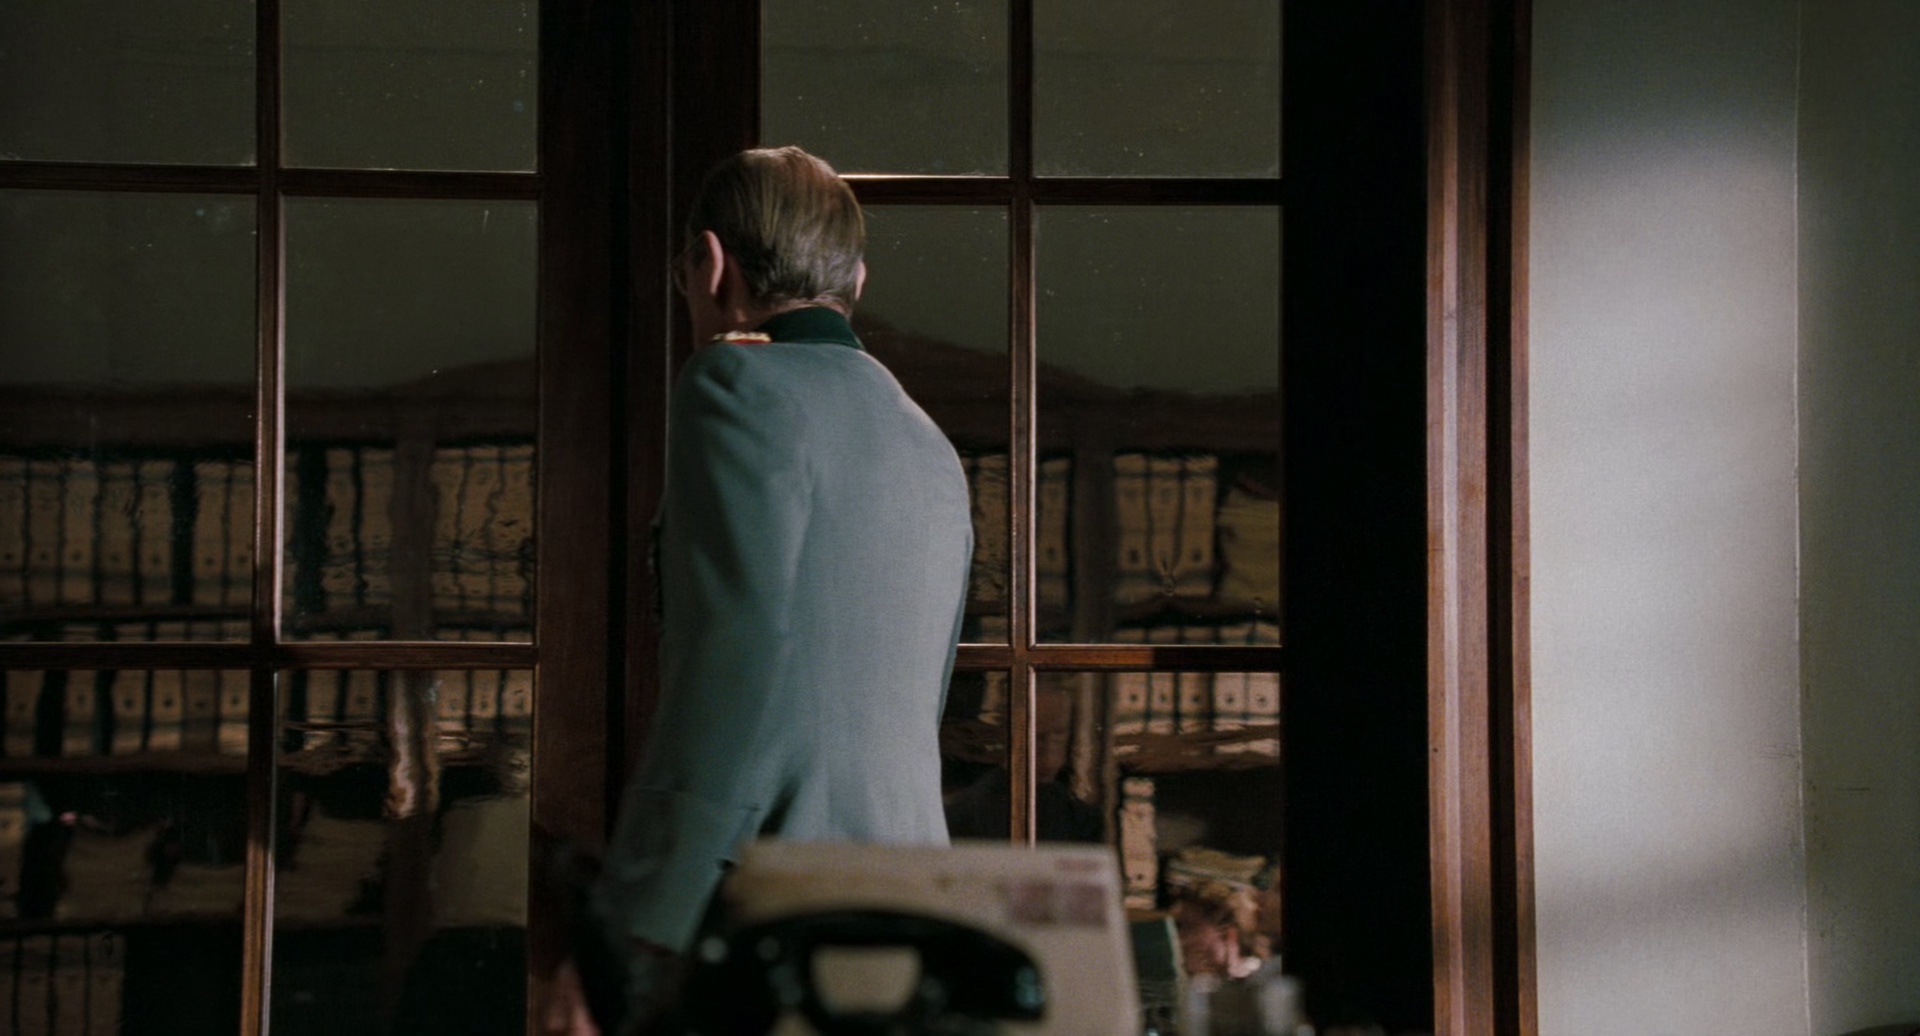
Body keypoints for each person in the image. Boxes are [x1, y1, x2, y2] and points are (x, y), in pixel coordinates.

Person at [560, 146, 975, 1035]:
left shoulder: (734, 382)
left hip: (768, 908)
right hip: (909, 899)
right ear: (854, 281)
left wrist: (632, 929)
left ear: (710, 266)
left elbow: (733, 660)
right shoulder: (928, 441)